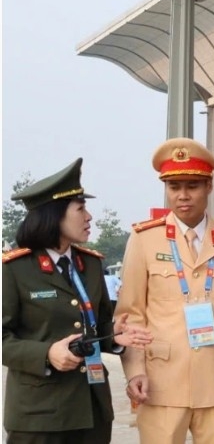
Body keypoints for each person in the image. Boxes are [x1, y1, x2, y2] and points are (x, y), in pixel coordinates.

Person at [115, 138, 214, 444]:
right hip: (160, 382)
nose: (182, 196)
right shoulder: (144, 239)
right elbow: (131, 314)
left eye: (192, 185)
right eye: (174, 186)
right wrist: (135, 370)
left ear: (209, 187)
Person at [2, 158, 151, 443]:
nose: (89, 217)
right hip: (39, 415)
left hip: (91, 408)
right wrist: (46, 354)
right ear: (53, 215)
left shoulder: (90, 265)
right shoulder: (15, 270)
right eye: (80, 208)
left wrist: (116, 336)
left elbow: (99, 326)